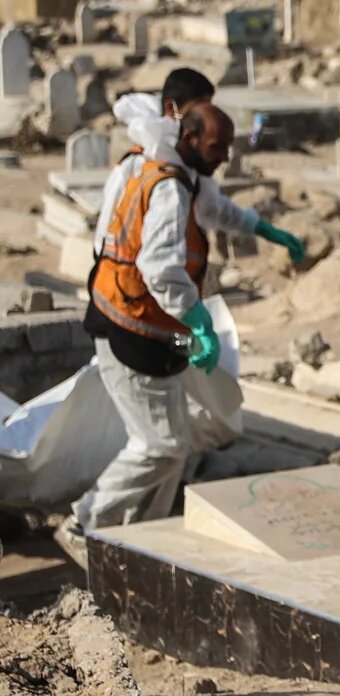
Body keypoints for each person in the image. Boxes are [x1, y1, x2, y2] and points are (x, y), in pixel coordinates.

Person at [69, 105, 242, 541]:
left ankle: (146, 538)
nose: (225, 155)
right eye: (216, 146)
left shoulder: (176, 177)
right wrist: (199, 320)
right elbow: (160, 267)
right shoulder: (168, 187)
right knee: (162, 445)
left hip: (152, 328)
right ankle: (86, 521)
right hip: (132, 327)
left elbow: (220, 213)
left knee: (178, 442)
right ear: (189, 139)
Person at [90, 69, 306, 334]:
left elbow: (213, 207)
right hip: (127, 305)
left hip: (150, 308)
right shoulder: (148, 170)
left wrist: (262, 228)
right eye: (200, 108)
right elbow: (118, 247)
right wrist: (193, 317)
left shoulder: (182, 163)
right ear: (173, 110)